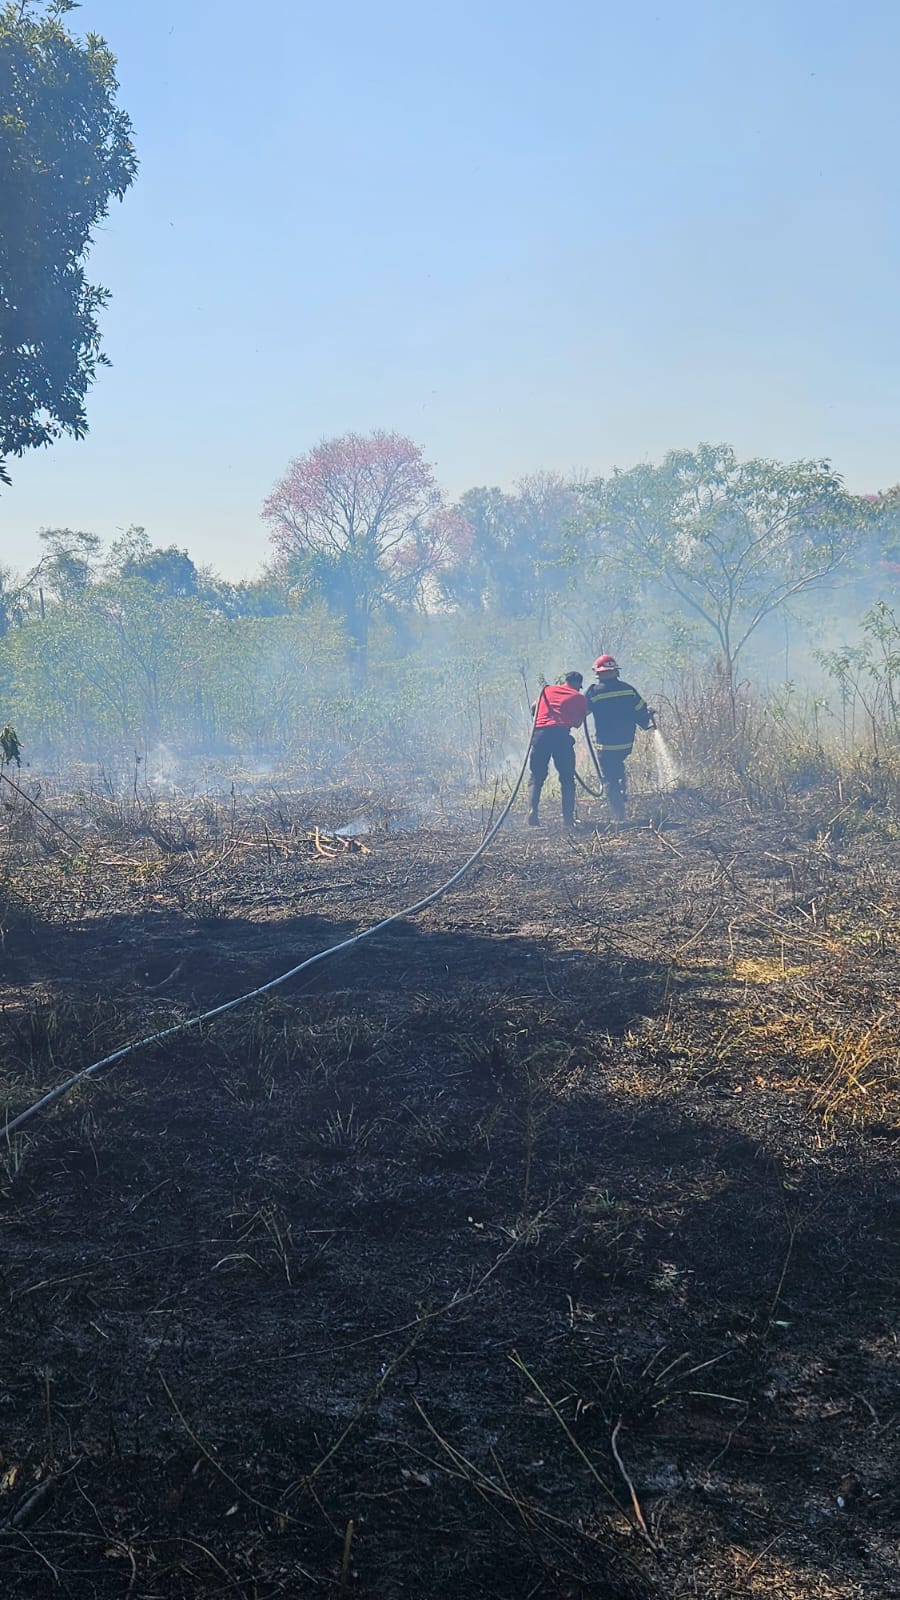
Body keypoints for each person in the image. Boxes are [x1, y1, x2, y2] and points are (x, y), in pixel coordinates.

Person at [584, 655, 655, 819]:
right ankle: (622, 785)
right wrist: (647, 721)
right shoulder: (628, 689)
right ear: (615, 671)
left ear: (599, 673)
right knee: (617, 763)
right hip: (625, 744)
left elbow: (584, 712)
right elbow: (641, 711)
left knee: (609, 778)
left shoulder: (593, 692)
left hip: (605, 745)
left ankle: (618, 815)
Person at [528, 672, 588, 828]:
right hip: (561, 736)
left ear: (565, 682)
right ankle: (568, 821)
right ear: (578, 685)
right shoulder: (579, 698)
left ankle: (532, 810)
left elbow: (533, 708)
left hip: (540, 735)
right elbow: (577, 723)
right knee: (567, 779)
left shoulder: (547, 691)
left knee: (536, 776)